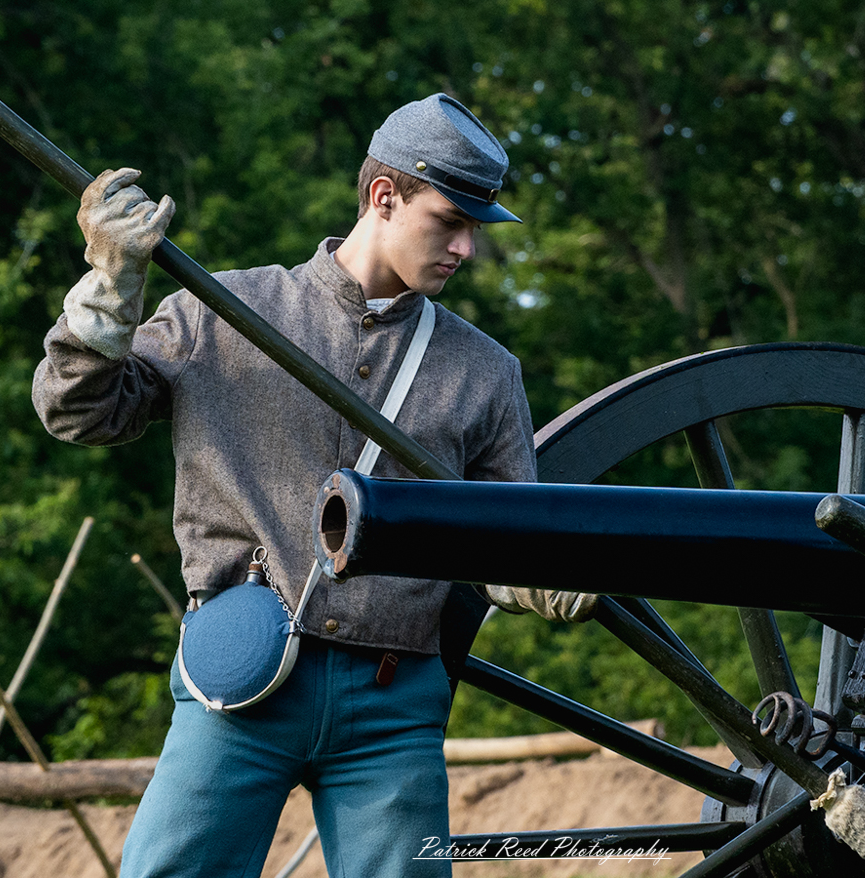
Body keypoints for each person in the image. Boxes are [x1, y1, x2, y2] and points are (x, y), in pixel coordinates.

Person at [33, 93, 574, 878]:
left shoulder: (487, 372)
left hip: (394, 706)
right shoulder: (224, 312)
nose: (466, 248)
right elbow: (77, 413)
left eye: (475, 230)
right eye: (450, 221)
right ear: (384, 197)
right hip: (241, 683)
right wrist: (111, 286)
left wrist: (554, 577)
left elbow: (503, 541)